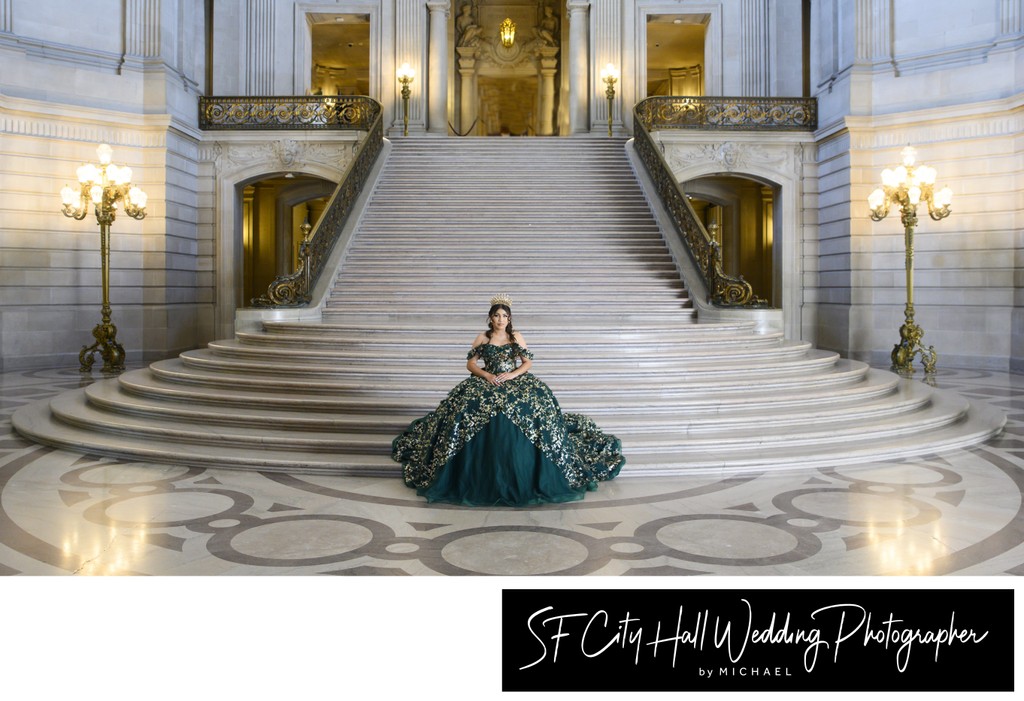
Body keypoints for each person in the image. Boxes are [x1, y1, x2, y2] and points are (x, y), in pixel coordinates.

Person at [392, 294, 625, 506]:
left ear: (509, 318)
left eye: (504, 315)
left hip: (514, 379)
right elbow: (470, 364)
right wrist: (487, 375)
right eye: (496, 315)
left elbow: (528, 362)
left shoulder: (516, 336)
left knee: (533, 409)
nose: (501, 319)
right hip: (487, 379)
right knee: (466, 408)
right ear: (490, 318)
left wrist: (511, 375)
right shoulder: (483, 337)